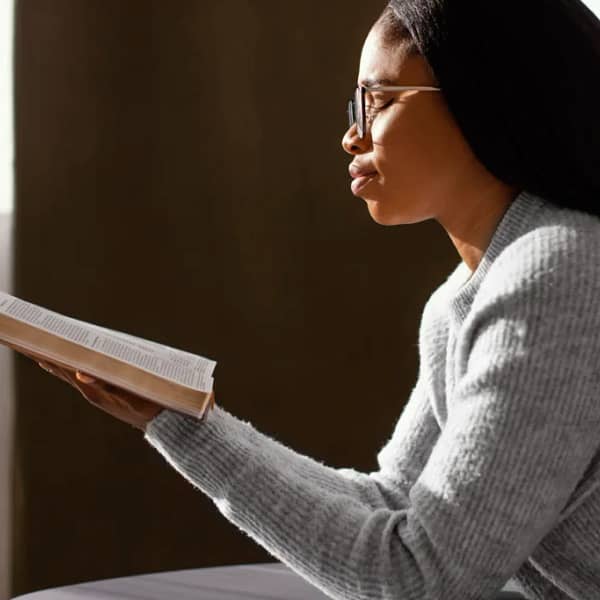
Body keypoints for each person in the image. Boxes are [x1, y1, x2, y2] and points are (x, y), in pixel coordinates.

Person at [33, 1, 600, 598]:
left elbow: (419, 580)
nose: (350, 134)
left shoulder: (558, 270)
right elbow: (396, 502)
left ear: (483, 96)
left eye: (376, 100)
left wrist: (194, 435)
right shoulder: (462, 299)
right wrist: (177, 416)